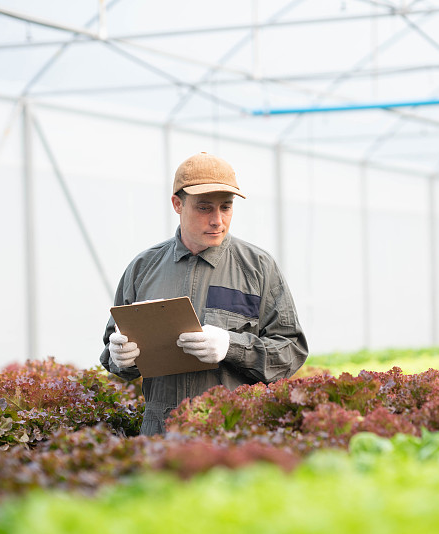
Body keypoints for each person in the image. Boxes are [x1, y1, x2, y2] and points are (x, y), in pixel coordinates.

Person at [99, 152, 308, 436]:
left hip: (233, 436)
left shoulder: (258, 268)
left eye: (226, 207)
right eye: (204, 208)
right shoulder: (143, 268)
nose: (217, 220)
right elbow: (113, 348)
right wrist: (119, 357)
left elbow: (291, 351)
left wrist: (232, 346)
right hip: (162, 436)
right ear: (177, 204)